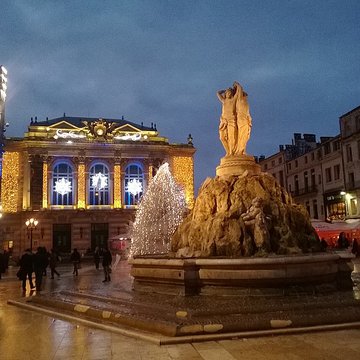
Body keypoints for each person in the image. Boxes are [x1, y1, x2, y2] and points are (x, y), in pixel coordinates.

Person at [217, 81, 252, 156]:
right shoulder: (224, 101)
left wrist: (237, 86)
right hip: (224, 121)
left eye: (230, 92)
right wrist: (224, 90)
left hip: (232, 120)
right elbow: (218, 93)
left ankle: (231, 153)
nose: (228, 93)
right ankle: (228, 152)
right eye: (227, 93)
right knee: (222, 137)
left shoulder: (234, 100)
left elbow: (239, 91)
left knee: (232, 138)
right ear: (225, 95)